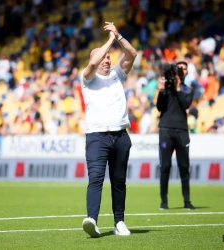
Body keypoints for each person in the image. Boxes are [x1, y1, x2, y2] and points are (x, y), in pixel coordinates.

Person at [80, 22, 137, 238]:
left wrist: (119, 36)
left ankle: (119, 222)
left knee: (119, 181)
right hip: (97, 137)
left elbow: (133, 54)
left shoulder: (117, 75)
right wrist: (109, 41)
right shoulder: (87, 78)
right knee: (96, 178)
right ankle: (92, 220)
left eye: (108, 58)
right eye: (104, 57)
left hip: (121, 136)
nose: (107, 60)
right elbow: (93, 60)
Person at [156, 61, 196, 210]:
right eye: (179, 68)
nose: (182, 71)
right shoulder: (166, 88)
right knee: (165, 166)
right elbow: (160, 106)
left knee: (184, 166)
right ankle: (163, 201)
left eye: (184, 69)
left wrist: (178, 86)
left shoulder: (187, 89)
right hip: (166, 130)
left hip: (181, 131)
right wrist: (161, 91)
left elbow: (185, 104)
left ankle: (187, 201)